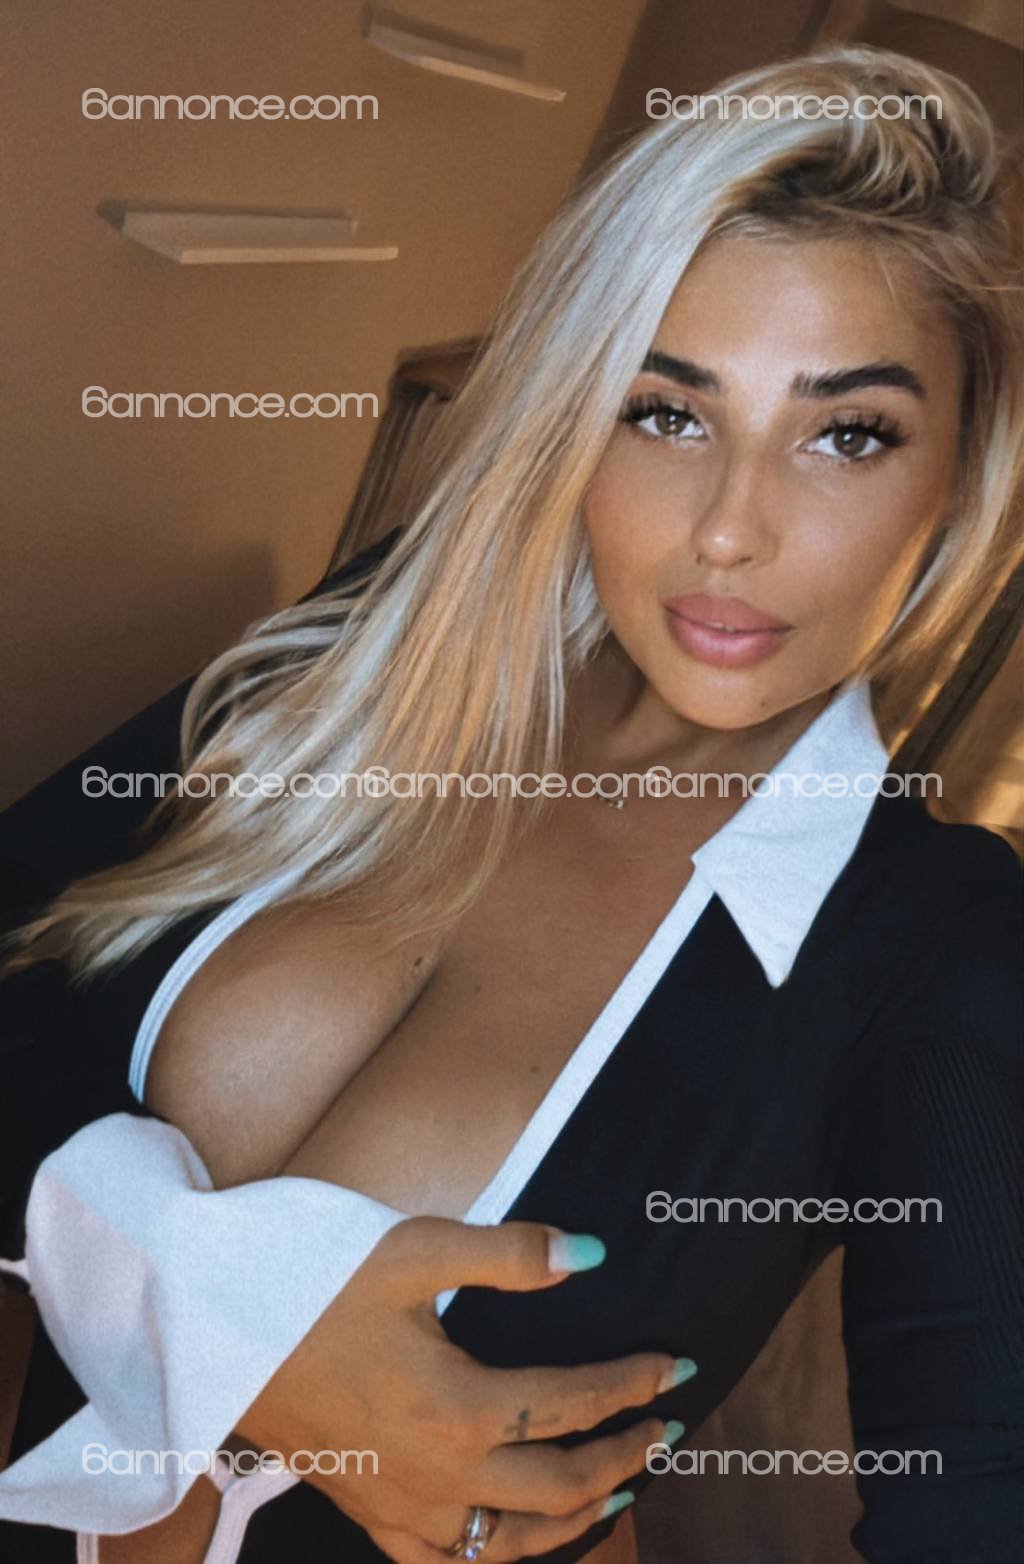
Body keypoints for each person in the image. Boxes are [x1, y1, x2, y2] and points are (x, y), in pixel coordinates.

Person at [1, 41, 1022, 1564]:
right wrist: (236, 1313)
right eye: (665, 410)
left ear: (958, 475)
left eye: (847, 434)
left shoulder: (940, 949)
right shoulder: (380, 642)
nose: (729, 529)